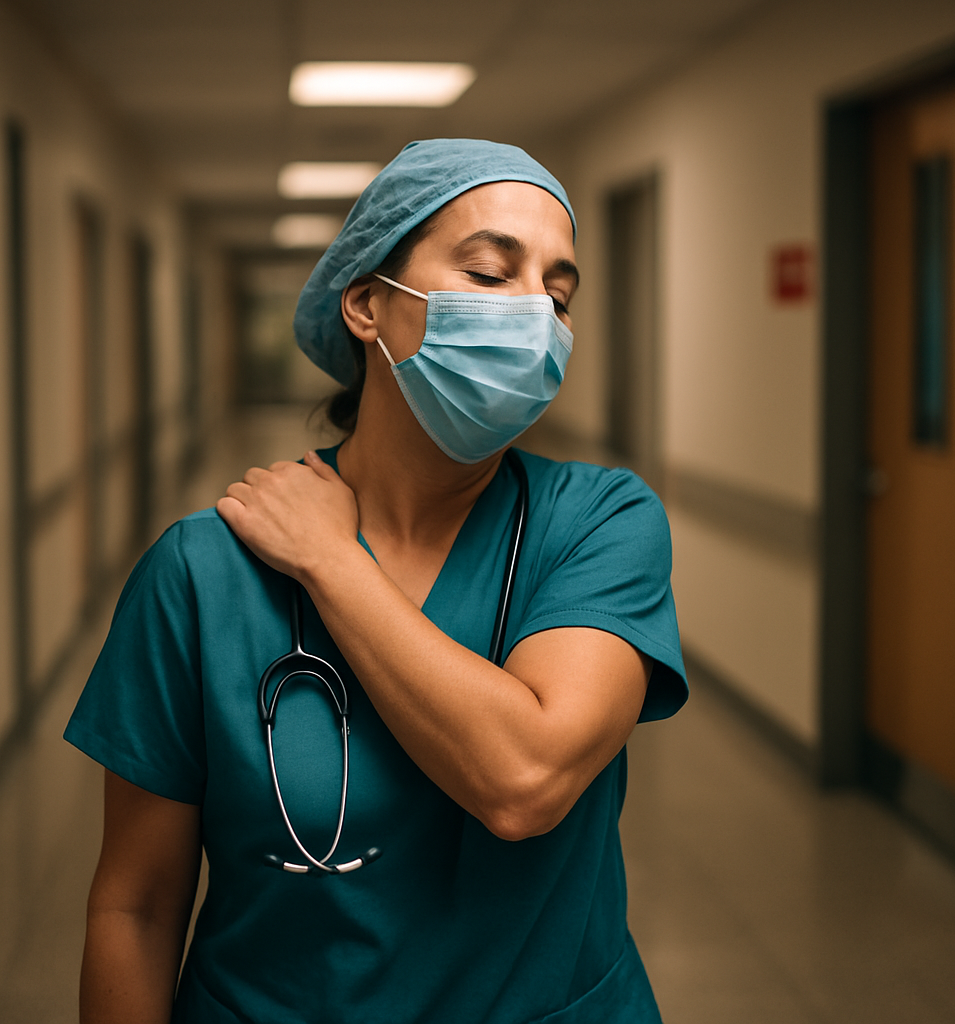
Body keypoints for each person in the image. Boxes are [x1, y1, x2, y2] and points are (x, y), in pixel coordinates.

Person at [65, 138, 687, 1024]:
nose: (534, 316)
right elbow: (136, 905)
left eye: (558, 292)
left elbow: (526, 781)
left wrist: (331, 561)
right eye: (488, 272)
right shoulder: (202, 571)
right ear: (368, 304)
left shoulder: (601, 523)